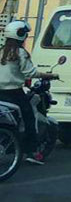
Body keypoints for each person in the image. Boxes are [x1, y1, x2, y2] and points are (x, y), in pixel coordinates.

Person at [0, 20, 60, 165]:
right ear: (21, 35)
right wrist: (50, 75)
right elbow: (31, 72)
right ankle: (30, 150)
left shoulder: (2, 51)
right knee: (30, 119)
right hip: (14, 93)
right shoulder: (20, 53)